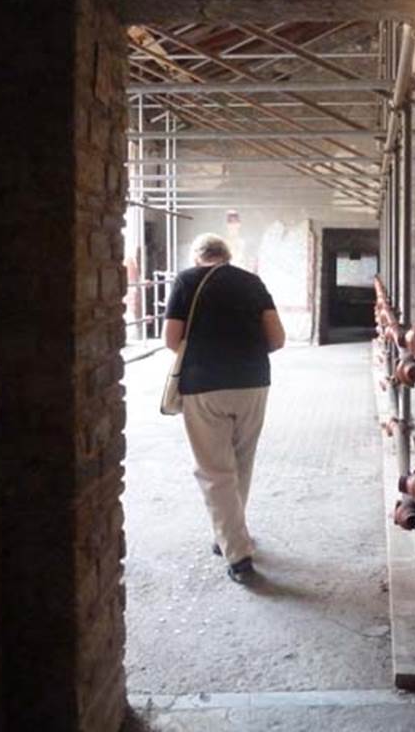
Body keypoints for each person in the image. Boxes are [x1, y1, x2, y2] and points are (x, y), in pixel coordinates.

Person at [164, 233, 286, 584]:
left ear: (197, 256)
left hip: (204, 386)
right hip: (253, 382)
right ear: (227, 255)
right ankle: (231, 534)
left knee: (214, 470)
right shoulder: (252, 282)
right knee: (241, 461)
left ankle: (237, 554)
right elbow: (277, 339)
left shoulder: (187, 280)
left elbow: (172, 340)